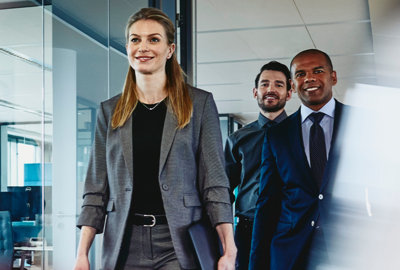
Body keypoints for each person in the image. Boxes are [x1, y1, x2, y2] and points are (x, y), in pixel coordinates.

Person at [73, 8, 236, 270]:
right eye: (135, 39)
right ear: (127, 47)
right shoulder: (109, 111)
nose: (143, 47)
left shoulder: (199, 104)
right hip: (125, 242)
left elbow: (214, 183)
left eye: (154, 39)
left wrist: (229, 247)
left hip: (178, 241)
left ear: (170, 49)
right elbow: (96, 188)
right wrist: (82, 253)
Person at [249, 49, 348, 269]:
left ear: (333, 77)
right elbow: (267, 203)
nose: (309, 78)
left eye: (318, 71)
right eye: (301, 74)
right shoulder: (277, 135)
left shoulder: (360, 122)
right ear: (293, 85)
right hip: (292, 252)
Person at [224, 61, 292, 270]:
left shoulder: (299, 134)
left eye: (279, 85)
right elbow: (224, 189)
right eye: (265, 84)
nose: (270, 89)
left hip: (288, 227)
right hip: (247, 230)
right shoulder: (237, 139)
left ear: (289, 93)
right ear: (255, 92)